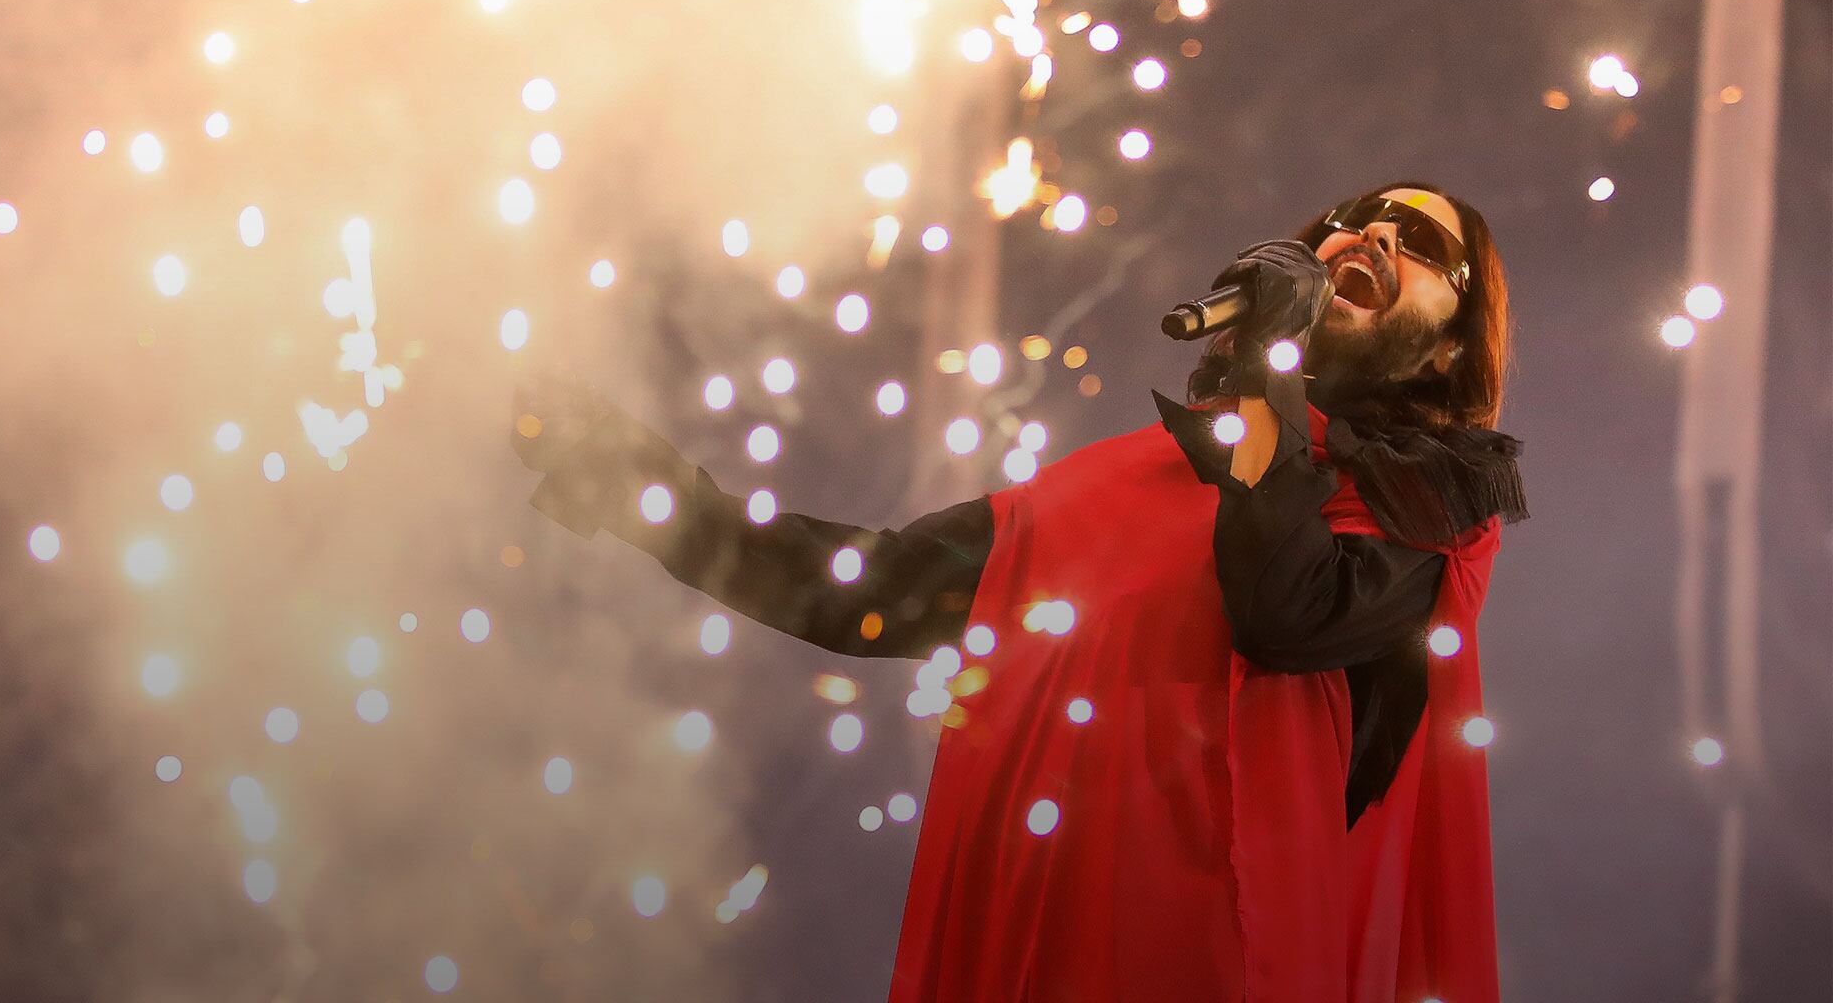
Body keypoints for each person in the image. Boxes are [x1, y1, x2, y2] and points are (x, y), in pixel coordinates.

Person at [512, 182, 1529, 1002]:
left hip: (1236, 966)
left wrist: (1273, 366)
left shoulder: (1428, 517)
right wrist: (651, 491)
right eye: (1355, 223)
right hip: (1051, 953)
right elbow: (864, 594)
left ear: (1449, 344)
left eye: (1419, 244)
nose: (1373, 237)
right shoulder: (1117, 487)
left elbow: (1283, 608)